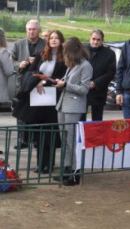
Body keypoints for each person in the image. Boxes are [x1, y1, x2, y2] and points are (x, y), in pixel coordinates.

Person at [13, 30, 66, 175]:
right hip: (37, 98)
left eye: (56, 38)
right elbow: (31, 71)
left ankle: (48, 164)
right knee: (38, 134)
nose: (54, 40)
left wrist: (46, 81)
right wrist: (37, 81)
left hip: (53, 98)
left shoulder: (65, 58)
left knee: (49, 134)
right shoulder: (41, 55)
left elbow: (62, 77)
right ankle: (40, 163)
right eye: (51, 38)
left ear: (61, 40)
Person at [53, 38, 93, 186]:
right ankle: (66, 169)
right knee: (64, 141)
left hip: (74, 107)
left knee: (71, 141)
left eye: (66, 52)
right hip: (63, 105)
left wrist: (66, 85)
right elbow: (67, 82)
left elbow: (84, 89)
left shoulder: (85, 66)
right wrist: (59, 83)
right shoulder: (73, 65)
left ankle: (75, 173)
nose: (65, 55)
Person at [10, 19, 45, 146]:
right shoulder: (18, 44)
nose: (31, 32)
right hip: (22, 83)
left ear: (39, 30)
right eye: (29, 29)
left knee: (37, 111)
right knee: (20, 111)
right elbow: (11, 62)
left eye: (34, 29)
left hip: (38, 83)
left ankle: (36, 139)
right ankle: (22, 140)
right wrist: (21, 63)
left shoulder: (45, 44)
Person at [84, 29, 116, 122]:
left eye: (98, 40)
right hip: (83, 88)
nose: (95, 42)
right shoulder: (82, 51)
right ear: (89, 39)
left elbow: (111, 72)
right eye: (93, 39)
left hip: (99, 90)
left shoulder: (109, 53)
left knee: (97, 120)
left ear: (102, 40)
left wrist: (95, 83)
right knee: (80, 119)